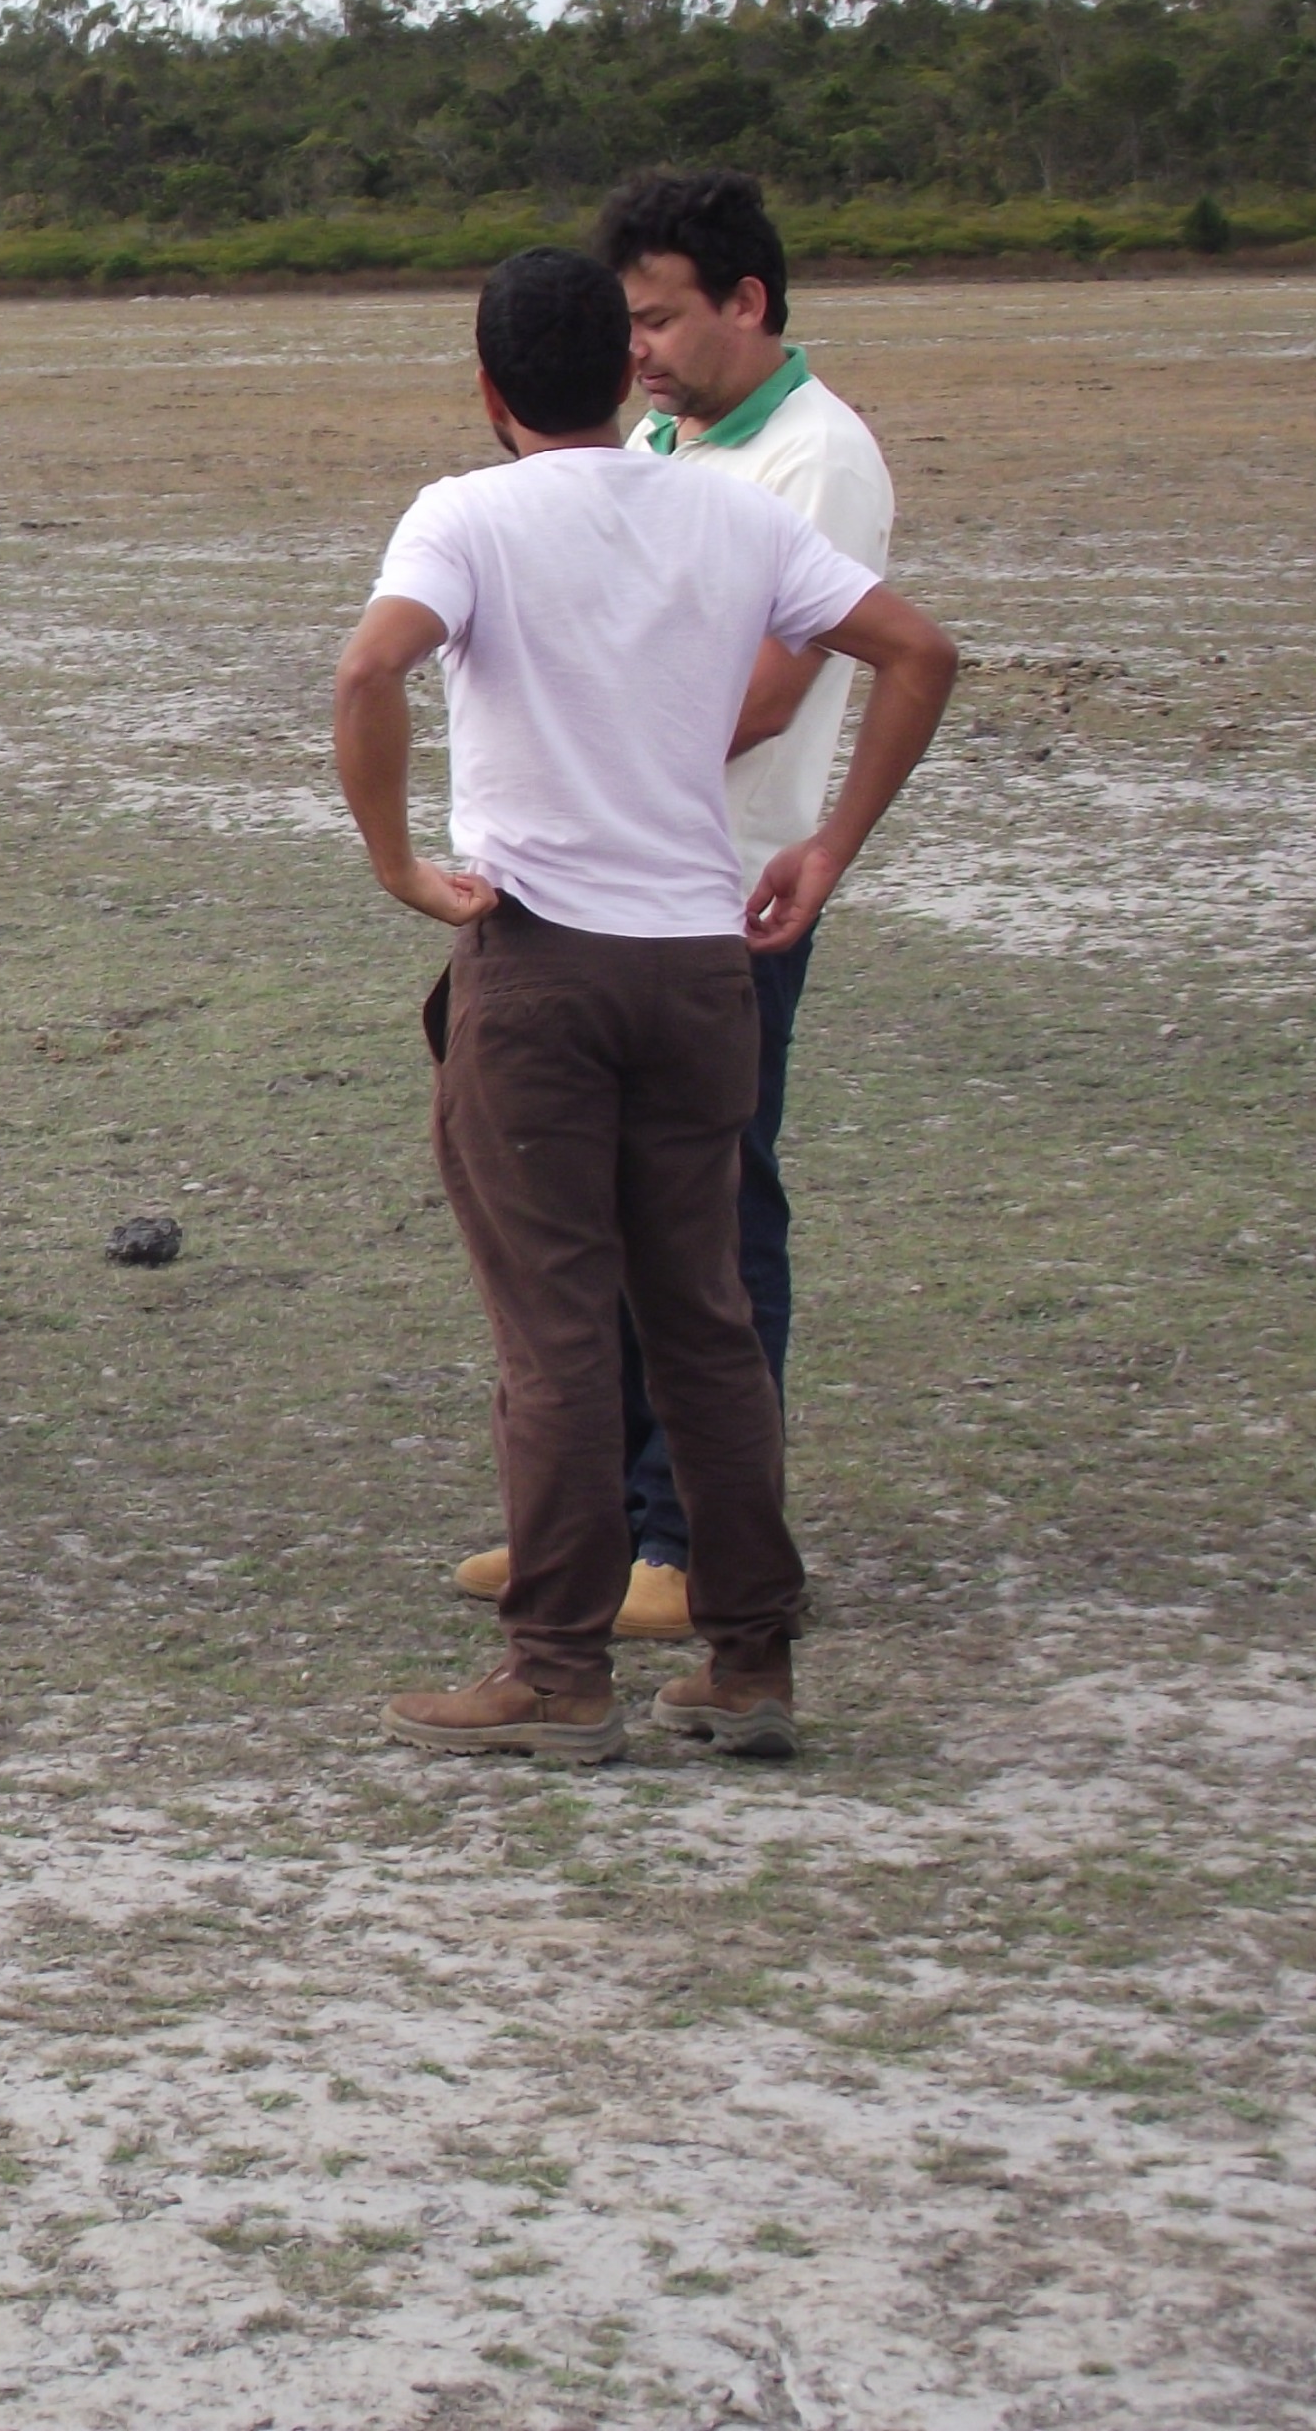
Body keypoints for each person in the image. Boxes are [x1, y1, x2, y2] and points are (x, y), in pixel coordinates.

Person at [333, 248, 954, 1760]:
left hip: (542, 965)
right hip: (697, 968)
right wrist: (826, 848)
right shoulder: (732, 507)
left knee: (554, 1329)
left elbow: (370, 673)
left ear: (488, 389)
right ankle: (750, 1659)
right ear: (626, 370)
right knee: (705, 1321)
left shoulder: (463, 514)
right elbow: (918, 652)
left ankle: (554, 1669)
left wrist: (402, 864)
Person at [447, 171, 899, 1642]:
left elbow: (770, 694)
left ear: (747, 303)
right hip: (605, 894)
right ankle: (593, 1532)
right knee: (594, 1220)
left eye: (660, 320)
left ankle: (685, 1540)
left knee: (711, 1225)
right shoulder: (661, 439)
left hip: (716, 890)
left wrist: (586, 772)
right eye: (624, 326)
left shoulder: (815, 464)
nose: (636, 351)